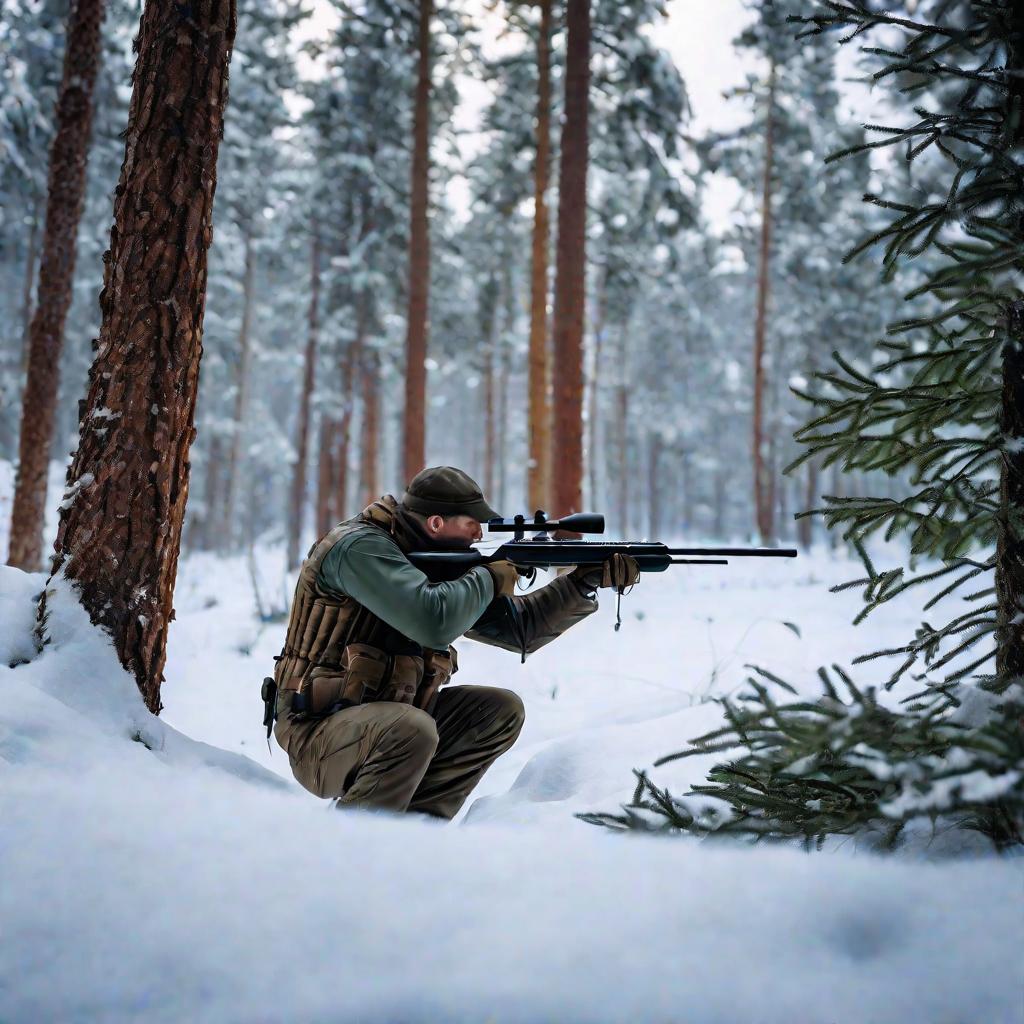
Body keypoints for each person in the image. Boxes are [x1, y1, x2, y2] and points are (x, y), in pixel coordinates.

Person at [269, 466, 639, 820]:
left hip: (385, 724)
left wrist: (582, 582)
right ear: (435, 523)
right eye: (471, 524)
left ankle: (414, 834)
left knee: (498, 711)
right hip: (316, 732)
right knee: (411, 729)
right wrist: (491, 576)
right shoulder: (358, 549)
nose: (480, 534)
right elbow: (433, 621)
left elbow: (520, 629)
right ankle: (357, 846)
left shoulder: (436, 567)